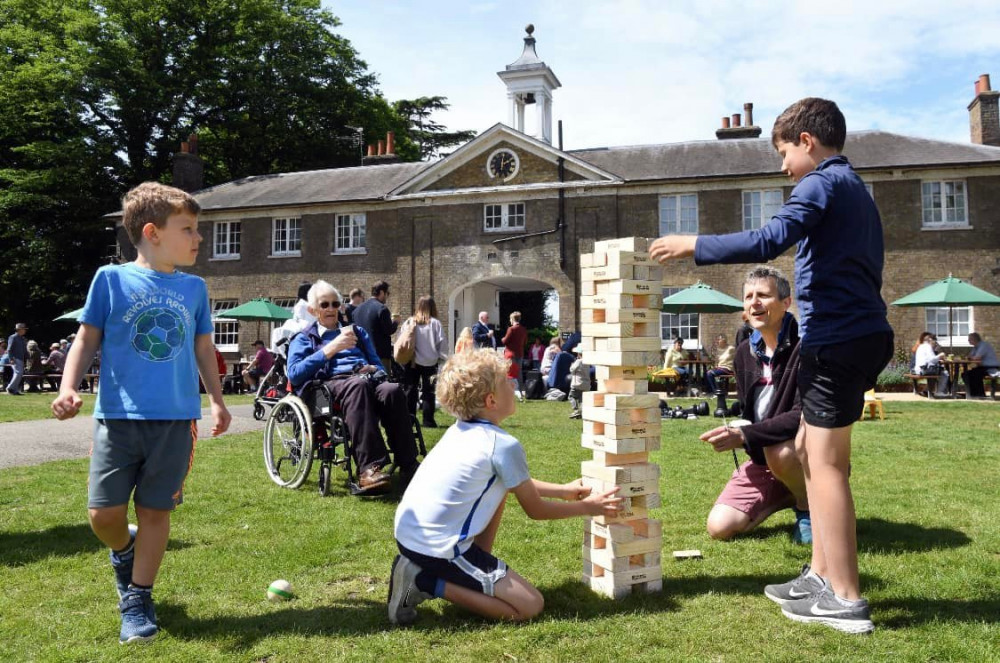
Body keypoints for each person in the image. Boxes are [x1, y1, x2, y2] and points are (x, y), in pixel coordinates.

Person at [649, 98, 892, 634]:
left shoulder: (820, 183)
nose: (783, 167)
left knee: (824, 467)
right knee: (808, 450)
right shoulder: (853, 188)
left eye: (784, 152)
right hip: (863, 334)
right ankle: (820, 575)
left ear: (807, 141)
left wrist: (696, 244)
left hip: (837, 337)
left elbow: (768, 239)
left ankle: (846, 599)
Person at [50, 181, 231, 644]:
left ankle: (138, 597)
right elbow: (86, 339)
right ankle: (125, 550)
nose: (198, 239)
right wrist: (69, 387)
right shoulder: (110, 280)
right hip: (117, 417)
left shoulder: (195, 288)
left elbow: (204, 347)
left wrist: (216, 399)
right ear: (152, 232)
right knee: (102, 515)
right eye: (188, 229)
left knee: (155, 511)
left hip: (174, 420)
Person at [387, 349, 622, 625]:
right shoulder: (502, 445)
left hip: (411, 537)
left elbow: (512, 481)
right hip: (440, 548)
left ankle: (463, 572)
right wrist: (588, 507)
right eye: (507, 382)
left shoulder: (461, 429)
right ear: (491, 400)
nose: (513, 384)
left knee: (498, 492)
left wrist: (564, 491)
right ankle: (423, 581)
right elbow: (535, 509)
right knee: (530, 606)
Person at [698, 266, 810, 544]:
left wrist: (745, 435)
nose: (754, 302)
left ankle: (807, 507)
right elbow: (750, 411)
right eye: (748, 297)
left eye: (763, 295)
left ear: (786, 303)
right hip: (762, 460)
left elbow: (801, 415)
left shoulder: (806, 348)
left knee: (781, 453)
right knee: (719, 528)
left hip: (803, 455)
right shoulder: (744, 353)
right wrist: (737, 425)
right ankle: (787, 491)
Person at [286, 280, 420, 493]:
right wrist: (330, 349)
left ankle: (409, 465)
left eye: (335, 304)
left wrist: (375, 370)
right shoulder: (304, 338)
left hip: (365, 378)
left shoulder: (357, 332)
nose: (331, 309)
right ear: (313, 310)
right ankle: (369, 468)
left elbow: (377, 363)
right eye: (325, 305)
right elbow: (294, 374)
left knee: (392, 390)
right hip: (329, 386)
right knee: (357, 386)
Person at [403, 296, 448, 428]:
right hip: (431, 361)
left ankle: (409, 419)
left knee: (410, 390)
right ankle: (428, 421)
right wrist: (442, 358)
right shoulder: (435, 323)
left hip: (412, 361)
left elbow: (402, 338)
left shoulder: (410, 322)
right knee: (429, 392)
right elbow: (442, 343)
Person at [352, 280, 399, 371]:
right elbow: (389, 330)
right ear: (382, 292)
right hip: (380, 356)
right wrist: (396, 322)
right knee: (382, 382)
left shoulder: (356, 311)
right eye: (387, 293)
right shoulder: (382, 309)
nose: (387, 297)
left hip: (362, 356)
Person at [501, 311, 528, 402]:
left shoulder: (511, 329)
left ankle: (509, 393)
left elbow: (505, 341)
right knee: (519, 374)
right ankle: (520, 392)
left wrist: (502, 339)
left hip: (510, 354)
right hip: (519, 354)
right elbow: (525, 342)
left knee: (509, 374)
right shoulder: (523, 329)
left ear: (512, 319)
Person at [963, 332, 1000, 398]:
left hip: (991, 367)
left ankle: (980, 394)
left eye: (970, 339)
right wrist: (970, 357)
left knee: (975, 374)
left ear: (975, 339)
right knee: (965, 374)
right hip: (983, 367)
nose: (968, 341)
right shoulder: (975, 347)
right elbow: (970, 357)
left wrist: (970, 358)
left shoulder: (983, 345)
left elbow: (977, 357)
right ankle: (973, 393)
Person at [913, 331, 950, 397]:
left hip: (919, 369)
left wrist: (938, 358)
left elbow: (929, 359)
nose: (935, 343)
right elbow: (932, 360)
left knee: (936, 373)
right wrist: (940, 355)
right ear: (930, 340)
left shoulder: (921, 346)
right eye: (934, 341)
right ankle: (939, 392)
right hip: (924, 370)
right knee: (945, 373)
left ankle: (926, 390)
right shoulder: (928, 346)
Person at [5, 322, 28, 395]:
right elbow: (9, 349)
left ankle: (14, 390)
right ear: (19, 330)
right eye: (24, 329)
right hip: (15, 358)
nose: (25, 330)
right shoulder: (13, 337)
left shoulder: (22, 339)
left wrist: (28, 357)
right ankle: (10, 388)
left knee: (19, 374)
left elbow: (24, 350)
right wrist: (11, 358)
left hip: (21, 359)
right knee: (18, 373)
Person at [567, 346, 590, 419]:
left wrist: (572, 365)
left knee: (571, 396)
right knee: (581, 399)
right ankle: (583, 412)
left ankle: (576, 410)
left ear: (580, 354)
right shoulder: (587, 362)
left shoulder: (578, 361)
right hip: (586, 384)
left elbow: (572, 370)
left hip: (577, 383)